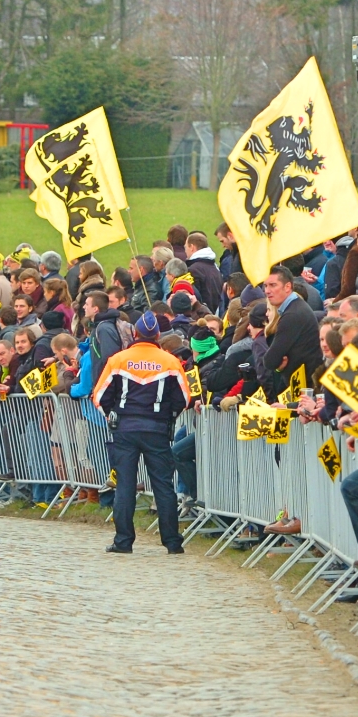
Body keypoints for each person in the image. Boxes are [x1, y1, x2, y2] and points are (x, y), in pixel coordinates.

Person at [93, 311, 190, 554]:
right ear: (157, 335)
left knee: (125, 484)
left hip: (125, 429)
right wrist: (169, 415)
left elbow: (100, 395)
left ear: (135, 333)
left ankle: (123, 542)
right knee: (163, 485)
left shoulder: (118, 359)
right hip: (157, 429)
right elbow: (184, 398)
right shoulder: (169, 361)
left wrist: (110, 413)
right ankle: (172, 543)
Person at [261, 265, 324, 392]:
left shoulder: (292, 315)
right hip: (302, 385)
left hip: (306, 388)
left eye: (273, 285)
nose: (267, 291)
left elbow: (270, 361)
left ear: (288, 287)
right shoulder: (295, 308)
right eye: (266, 286)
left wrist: (278, 365)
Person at [183, 232, 223, 312]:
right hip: (214, 314)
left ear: (192, 247)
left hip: (202, 317)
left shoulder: (193, 270)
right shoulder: (214, 267)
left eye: (186, 247)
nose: (185, 251)